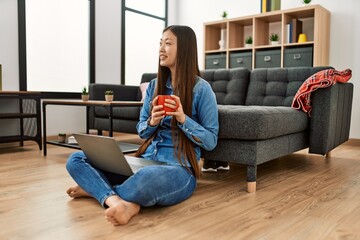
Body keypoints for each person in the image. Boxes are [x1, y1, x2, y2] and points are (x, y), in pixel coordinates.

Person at [65, 25, 219, 226]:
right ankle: (117, 201)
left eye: (168, 43)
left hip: (179, 169)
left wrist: (182, 118)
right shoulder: (154, 86)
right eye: (160, 43)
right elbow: (141, 130)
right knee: (76, 158)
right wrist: (152, 122)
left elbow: (211, 141)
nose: (161, 48)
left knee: (146, 179)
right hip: (144, 161)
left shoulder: (202, 89)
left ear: (185, 49)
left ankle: (97, 190)